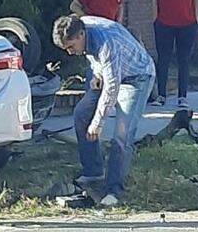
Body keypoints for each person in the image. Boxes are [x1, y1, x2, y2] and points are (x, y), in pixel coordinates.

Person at [53, 15, 155, 207]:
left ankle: (113, 191)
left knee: (122, 134)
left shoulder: (107, 43)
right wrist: (98, 73)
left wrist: (98, 122)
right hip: (113, 72)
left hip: (137, 78)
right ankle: (93, 171)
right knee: (82, 114)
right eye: (65, 48)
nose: (70, 52)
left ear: (81, 34)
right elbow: (95, 59)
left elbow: (112, 88)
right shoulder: (80, 25)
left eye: (71, 46)